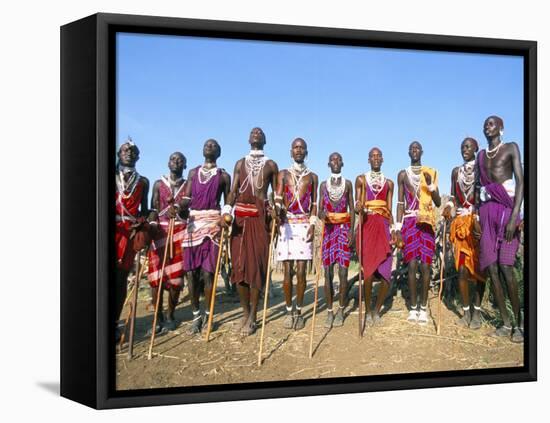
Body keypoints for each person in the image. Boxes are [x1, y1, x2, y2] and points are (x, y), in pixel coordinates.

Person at [222, 127, 278, 336]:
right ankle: (244, 312)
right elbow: (233, 191)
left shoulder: (271, 165)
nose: (256, 133)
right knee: (239, 268)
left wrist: (276, 209)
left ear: (265, 139)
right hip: (239, 221)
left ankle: (254, 315)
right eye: (253, 132)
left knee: (256, 268)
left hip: (259, 219)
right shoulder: (239, 163)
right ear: (248, 139)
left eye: (260, 132)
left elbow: (277, 193)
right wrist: (226, 211)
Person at [475, 116, 524, 342]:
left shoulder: (511, 148)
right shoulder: (481, 156)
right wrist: (478, 215)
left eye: (492, 123)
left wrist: (515, 216)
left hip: (506, 210)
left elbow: (521, 182)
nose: (488, 126)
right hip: (486, 212)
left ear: (501, 128)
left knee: (506, 267)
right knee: (492, 268)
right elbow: (477, 187)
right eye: (486, 124)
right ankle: (505, 323)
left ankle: (521, 323)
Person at [179, 139, 231, 334]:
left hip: (213, 225)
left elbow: (228, 203)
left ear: (219, 152)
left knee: (208, 273)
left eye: (214, 145)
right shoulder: (193, 173)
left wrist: (226, 217)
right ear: (202, 150)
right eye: (206, 145)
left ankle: (208, 315)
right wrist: (178, 208)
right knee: (191, 273)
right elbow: (186, 199)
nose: (209, 147)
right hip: (193, 225)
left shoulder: (224, 176)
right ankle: (195, 315)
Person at [395, 141, 441, 324]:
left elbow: (437, 202)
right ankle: (413, 308)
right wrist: (397, 229)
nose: (415, 151)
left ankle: (423, 308)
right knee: (412, 265)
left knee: (426, 266)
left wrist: (431, 187)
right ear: (408, 152)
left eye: (417, 148)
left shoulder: (431, 172)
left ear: (422, 151)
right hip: (409, 223)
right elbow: (399, 204)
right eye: (412, 148)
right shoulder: (402, 175)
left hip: (427, 222)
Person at [275, 138, 318, 330]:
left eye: (302, 148)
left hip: (303, 224)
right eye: (296, 147)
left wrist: (312, 224)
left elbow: (315, 204)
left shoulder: (313, 177)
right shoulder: (283, 174)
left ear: (306, 152)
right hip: (287, 224)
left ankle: (299, 312)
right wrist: (276, 211)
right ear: (291, 151)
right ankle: (288, 310)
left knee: (301, 272)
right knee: (286, 273)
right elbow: (277, 197)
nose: (299, 150)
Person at [442, 138, 486, 329]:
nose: (464, 150)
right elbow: (453, 196)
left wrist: (478, 217)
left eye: (468, 146)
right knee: (462, 269)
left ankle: (477, 311)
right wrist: (449, 207)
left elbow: (485, 194)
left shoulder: (482, 169)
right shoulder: (455, 172)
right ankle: (466, 311)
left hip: (477, 223)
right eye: (462, 147)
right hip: (460, 225)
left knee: (479, 270)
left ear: (476, 148)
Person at [146, 152, 187, 333]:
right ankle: (157, 317)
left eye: (180, 160)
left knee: (176, 277)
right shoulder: (158, 183)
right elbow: (153, 208)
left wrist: (178, 211)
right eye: (172, 158)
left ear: (184, 166)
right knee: (156, 276)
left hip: (180, 231)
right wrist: (152, 224)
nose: (176, 162)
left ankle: (170, 315)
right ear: (168, 162)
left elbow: (188, 209)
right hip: (160, 232)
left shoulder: (187, 186)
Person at [355, 148, 394, 327]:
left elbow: (390, 209)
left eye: (379, 156)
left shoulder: (389, 183)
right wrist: (359, 207)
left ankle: (377, 310)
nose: (376, 158)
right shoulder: (361, 180)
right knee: (369, 272)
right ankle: (369, 309)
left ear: (383, 159)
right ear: (368, 159)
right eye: (373, 156)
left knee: (386, 273)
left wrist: (394, 230)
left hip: (384, 227)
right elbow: (357, 205)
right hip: (368, 225)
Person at [115, 139, 150, 337]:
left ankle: (115, 322)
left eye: (133, 150)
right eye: (125, 150)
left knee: (121, 279)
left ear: (138, 156)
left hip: (129, 233)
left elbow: (143, 210)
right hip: (112, 230)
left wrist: (145, 221)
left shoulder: (143, 181)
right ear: (119, 154)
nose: (129, 152)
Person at [318, 152, 354, 328]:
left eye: (339, 159)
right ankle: (330, 311)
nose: (336, 162)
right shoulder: (323, 186)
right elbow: (318, 210)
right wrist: (321, 214)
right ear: (328, 163)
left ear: (343, 163)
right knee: (328, 273)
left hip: (343, 230)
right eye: (333, 159)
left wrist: (351, 233)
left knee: (343, 273)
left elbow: (352, 209)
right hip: (329, 231)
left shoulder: (348, 184)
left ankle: (341, 309)